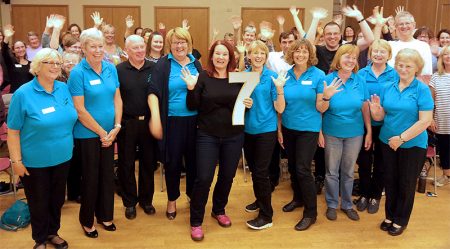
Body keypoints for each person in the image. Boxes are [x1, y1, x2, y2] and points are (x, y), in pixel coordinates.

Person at [7, 48, 78, 249]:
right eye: (50, 62)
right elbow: (13, 132)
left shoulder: (63, 88)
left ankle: (52, 232)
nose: (56, 66)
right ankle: (39, 239)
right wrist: (16, 162)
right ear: (38, 67)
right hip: (35, 161)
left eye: (58, 62)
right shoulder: (23, 94)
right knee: (39, 202)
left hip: (63, 157)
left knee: (56, 201)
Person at [183, 40, 252, 241]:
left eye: (225, 54)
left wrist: (248, 103)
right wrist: (190, 88)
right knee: (204, 178)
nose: (221, 57)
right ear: (212, 56)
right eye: (217, 54)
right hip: (207, 135)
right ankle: (196, 221)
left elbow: (242, 106)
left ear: (230, 58)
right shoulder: (203, 77)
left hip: (234, 135)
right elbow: (192, 105)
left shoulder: (239, 78)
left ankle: (219, 209)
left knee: (227, 176)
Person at [369, 48, 433, 236]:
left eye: (408, 66)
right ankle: (389, 215)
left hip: (412, 145)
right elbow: (383, 115)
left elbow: (425, 120)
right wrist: (376, 112)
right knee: (390, 181)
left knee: (406, 183)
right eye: (400, 65)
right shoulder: (388, 86)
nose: (403, 69)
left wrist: (402, 138)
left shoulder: (421, 89)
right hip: (387, 142)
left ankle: (400, 219)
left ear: (416, 68)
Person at [68, 28, 122, 238]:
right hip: (88, 134)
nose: (98, 50)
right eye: (93, 46)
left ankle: (105, 215)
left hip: (110, 133)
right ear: (83, 48)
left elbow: (117, 98)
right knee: (91, 178)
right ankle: (87, 220)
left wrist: (116, 127)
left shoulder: (111, 68)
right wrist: (102, 133)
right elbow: (79, 110)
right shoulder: (77, 73)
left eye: (101, 46)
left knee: (107, 177)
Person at [148, 27, 203, 220]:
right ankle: (172, 200)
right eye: (176, 42)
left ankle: (191, 195)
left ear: (189, 44)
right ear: (170, 45)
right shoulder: (163, 65)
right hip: (172, 122)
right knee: (172, 163)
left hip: (196, 122)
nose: (180, 46)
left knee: (195, 162)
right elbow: (153, 92)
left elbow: (204, 91)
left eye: (183, 42)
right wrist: (155, 117)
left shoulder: (196, 64)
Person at [277, 39, 326, 231]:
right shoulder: (285, 75)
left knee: (303, 169)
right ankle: (297, 198)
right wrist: (280, 130)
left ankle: (311, 213)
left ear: (310, 54)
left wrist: (327, 97)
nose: (301, 55)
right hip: (289, 127)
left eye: (305, 52)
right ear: (291, 54)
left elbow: (321, 107)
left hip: (309, 129)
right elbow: (281, 107)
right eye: (297, 51)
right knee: (292, 166)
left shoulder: (318, 75)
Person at [321, 44, 371, 222]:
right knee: (331, 171)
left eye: (354, 57)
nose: (350, 60)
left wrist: (369, 131)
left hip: (355, 133)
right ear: (338, 60)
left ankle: (347, 205)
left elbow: (365, 107)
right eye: (346, 57)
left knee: (349, 171)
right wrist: (326, 96)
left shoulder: (360, 80)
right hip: (331, 131)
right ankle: (332, 204)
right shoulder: (327, 79)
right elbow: (320, 109)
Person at [243, 41, 286, 230]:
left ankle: (266, 215)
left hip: (266, 130)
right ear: (249, 56)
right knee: (255, 170)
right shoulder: (244, 75)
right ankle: (260, 200)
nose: (258, 56)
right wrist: (242, 103)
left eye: (262, 53)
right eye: (255, 53)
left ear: (266, 57)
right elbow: (235, 103)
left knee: (261, 172)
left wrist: (279, 88)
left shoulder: (272, 77)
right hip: (247, 130)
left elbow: (280, 108)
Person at [355, 39, 398, 214]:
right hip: (364, 123)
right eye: (375, 51)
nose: (378, 54)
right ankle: (364, 193)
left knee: (382, 161)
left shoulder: (394, 74)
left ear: (388, 55)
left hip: (386, 124)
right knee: (364, 161)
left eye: (382, 52)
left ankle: (375, 195)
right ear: (370, 54)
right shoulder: (362, 73)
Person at [116, 35, 157, 219]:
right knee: (126, 164)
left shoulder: (154, 68)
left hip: (149, 122)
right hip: (127, 123)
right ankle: (130, 202)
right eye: (135, 48)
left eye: (142, 47)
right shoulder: (119, 70)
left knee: (148, 163)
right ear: (127, 50)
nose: (140, 50)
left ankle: (146, 201)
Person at [387, 11, 432, 82]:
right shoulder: (389, 45)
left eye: (407, 23)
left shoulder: (423, 46)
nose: (404, 26)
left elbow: (426, 76)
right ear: (396, 27)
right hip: (391, 88)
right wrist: (379, 25)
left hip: (414, 91)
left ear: (414, 25)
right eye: (401, 24)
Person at [429, 46, 450, 186]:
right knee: (444, 148)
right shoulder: (436, 76)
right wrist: (430, 118)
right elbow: (430, 101)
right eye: (446, 54)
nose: (448, 56)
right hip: (442, 119)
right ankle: (446, 175)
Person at [0, 24, 34, 94]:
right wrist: (6, 37)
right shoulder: (11, 63)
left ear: (25, 48)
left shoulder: (31, 64)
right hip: (15, 94)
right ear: (13, 50)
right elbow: (4, 51)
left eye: (22, 47)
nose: (20, 49)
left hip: (29, 94)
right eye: (17, 48)